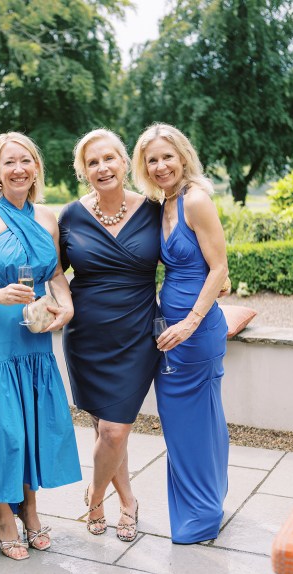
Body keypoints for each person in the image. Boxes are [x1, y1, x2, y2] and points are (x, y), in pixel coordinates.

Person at [0, 131, 81, 561]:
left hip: (35, 337)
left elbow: (55, 274)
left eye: (26, 160)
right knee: (1, 428)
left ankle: (32, 509)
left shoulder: (46, 218)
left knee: (30, 424)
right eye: (9, 162)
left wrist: (67, 308)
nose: (19, 168)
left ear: (36, 168)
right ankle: (3, 515)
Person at [59, 128, 161, 542]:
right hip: (86, 336)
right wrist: (61, 303)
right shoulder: (70, 216)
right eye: (93, 162)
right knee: (105, 430)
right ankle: (129, 501)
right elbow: (53, 272)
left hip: (137, 333)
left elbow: (188, 255)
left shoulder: (156, 209)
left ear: (124, 162)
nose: (102, 168)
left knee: (116, 429)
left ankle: (95, 498)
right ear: (83, 171)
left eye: (109, 159)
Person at [132, 123, 229, 544]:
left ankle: (202, 514)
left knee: (194, 422)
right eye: (152, 159)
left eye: (166, 156)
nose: (160, 166)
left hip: (197, 329)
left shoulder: (197, 201)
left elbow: (221, 270)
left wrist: (189, 322)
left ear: (183, 156)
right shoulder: (162, 203)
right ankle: (207, 500)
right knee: (191, 422)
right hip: (169, 332)